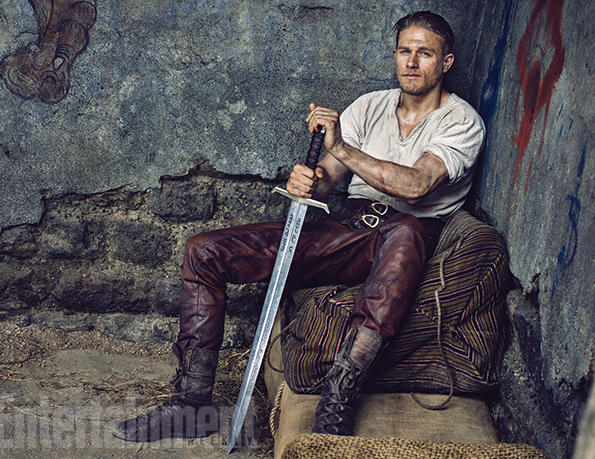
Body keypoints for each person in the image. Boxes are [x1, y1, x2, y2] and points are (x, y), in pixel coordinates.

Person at [114, 10, 485, 441]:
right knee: (203, 251)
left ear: (446, 62)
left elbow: (416, 186)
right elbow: (328, 179)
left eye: (425, 53)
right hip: (348, 229)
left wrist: (341, 147)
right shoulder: (370, 106)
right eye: (405, 51)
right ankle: (191, 403)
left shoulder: (461, 121)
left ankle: (337, 400)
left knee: (406, 231)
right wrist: (309, 181)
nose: (412, 62)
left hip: (407, 238)